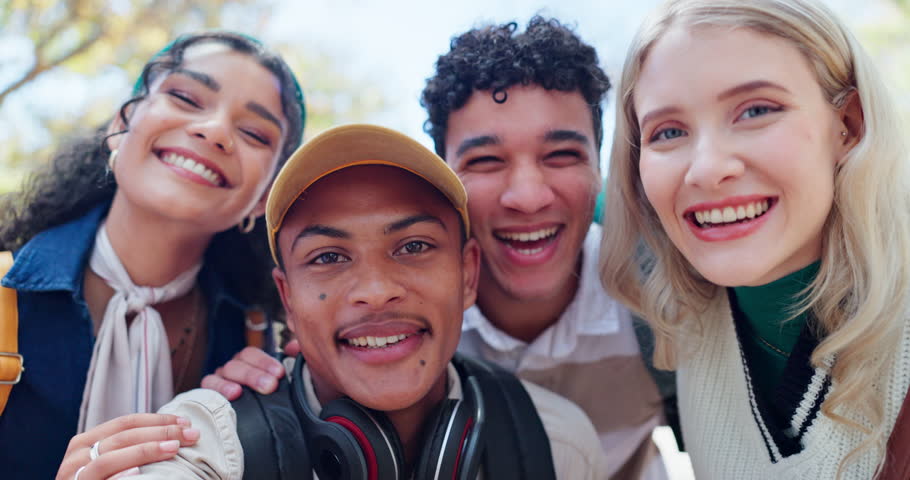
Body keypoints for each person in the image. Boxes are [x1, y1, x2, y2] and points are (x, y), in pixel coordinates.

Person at [204, 17, 677, 480]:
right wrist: (256, 393)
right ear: (446, 183)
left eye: (561, 155)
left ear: (600, 167)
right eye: (486, 161)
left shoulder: (664, 301)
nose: (528, 196)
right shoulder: (393, 324)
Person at [129, 123, 609, 479]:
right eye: (329, 256)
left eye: (414, 246)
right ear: (288, 300)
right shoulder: (204, 444)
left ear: (467, 275)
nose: (376, 291)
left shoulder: (558, 441)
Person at [600, 0, 910, 478]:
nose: (706, 169)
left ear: (849, 126)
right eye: (668, 132)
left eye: (757, 111)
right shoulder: (681, 313)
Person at [0, 32, 305, 480]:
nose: (215, 130)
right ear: (119, 126)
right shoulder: (6, 298)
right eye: (184, 96)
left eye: (254, 133)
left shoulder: (257, 353)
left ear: (263, 199)